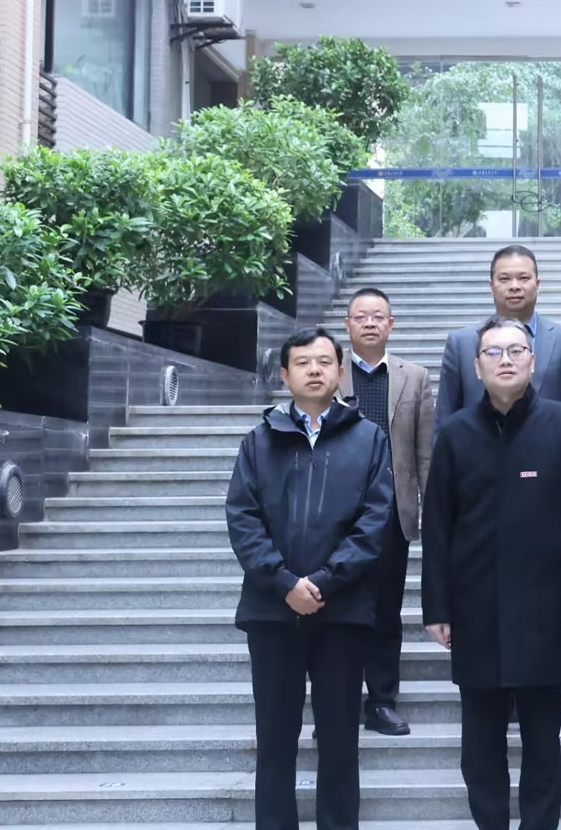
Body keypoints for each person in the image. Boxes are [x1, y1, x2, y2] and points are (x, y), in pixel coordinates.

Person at [421, 316, 561, 830]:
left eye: (516, 351)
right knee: (479, 749)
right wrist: (436, 607)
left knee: (543, 745)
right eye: (493, 352)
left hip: (546, 613)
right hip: (474, 613)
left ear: (533, 360)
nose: (506, 360)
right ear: (476, 367)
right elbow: (437, 527)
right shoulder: (455, 433)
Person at [225, 328, 393, 830]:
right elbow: (243, 518)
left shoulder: (368, 438)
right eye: (302, 363)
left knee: (340, 741)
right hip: (271, 612)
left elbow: (375, 521)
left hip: (342, 613)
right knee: (275, 741)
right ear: (284, 374)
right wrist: (283, 583)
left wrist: (324, 582)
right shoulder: (259, 441)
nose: (314, 370)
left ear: (341, 371)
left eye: (324, 361)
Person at [339, 287, 435, 738]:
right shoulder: (328, 370)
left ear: (391, 324)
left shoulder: (414, 377)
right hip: (336, 515)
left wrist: (432, 510)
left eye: (378, 316)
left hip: (391, 512)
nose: (370, 323)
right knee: (336, 609)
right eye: (361, 317)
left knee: (385, 610)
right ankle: (336, 703)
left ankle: (381, 700)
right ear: (347, 325)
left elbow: (425, 453)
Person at [439, 244, 561, 439]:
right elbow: (444, 422)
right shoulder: (461, 344)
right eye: (504, 279)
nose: (514, 286)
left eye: (523, 278)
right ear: (491, 286)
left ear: (537, 284)